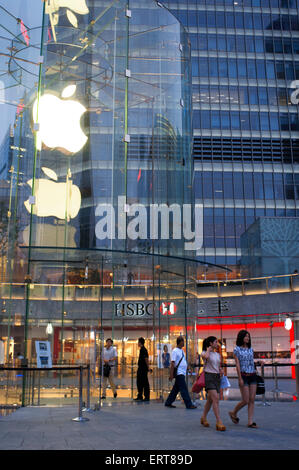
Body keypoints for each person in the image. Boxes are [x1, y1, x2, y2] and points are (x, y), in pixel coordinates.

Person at [228, 330, 262, 428]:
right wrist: (239, 378)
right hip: (243, 375)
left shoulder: (251, 349)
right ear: (241, 337)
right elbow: (238, 364)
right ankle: (233, 412)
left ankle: (250, 422)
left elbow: (251, 361)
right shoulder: (237, 350)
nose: (247, 338)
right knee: (246, 400)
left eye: (248, 336)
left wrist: (259, 362)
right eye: (245, 336)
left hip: (252, 375)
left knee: (252, 399)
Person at [200, 336, 226, 431]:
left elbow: (217, 365)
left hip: (216, 377)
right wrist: (208, 350)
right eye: (215, 342)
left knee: (210, 400)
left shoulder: (217, 354)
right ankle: (219, 421)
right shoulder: (204, 353)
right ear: (211, 343)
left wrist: (220, 370)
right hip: (209, 377)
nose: (217, 344)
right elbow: (206, 357)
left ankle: (203, 417)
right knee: (216, 399)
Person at [164, 336, 197, 409]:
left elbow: (184, 361)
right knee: (184, 389)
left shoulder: (182, 351)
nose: (184, 343)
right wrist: (171, 374)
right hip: (179, 373)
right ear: (180, 342)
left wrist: (188, 369)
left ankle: (168, 402)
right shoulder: (175, 351)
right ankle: (189, 404)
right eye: (183, 341)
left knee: (175, 389)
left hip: (182, 372)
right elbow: (173, 363)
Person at [134, 337, 150, 402]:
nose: (137, 343)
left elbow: (146, 359)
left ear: (140, 343)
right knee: (139, 382)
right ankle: (140, 395)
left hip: (143, 369)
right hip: (140, 368)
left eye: (138, 342)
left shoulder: (144, 350)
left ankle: (146, 397)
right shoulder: (141, 349)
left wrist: (148, 367)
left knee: (144, 382)